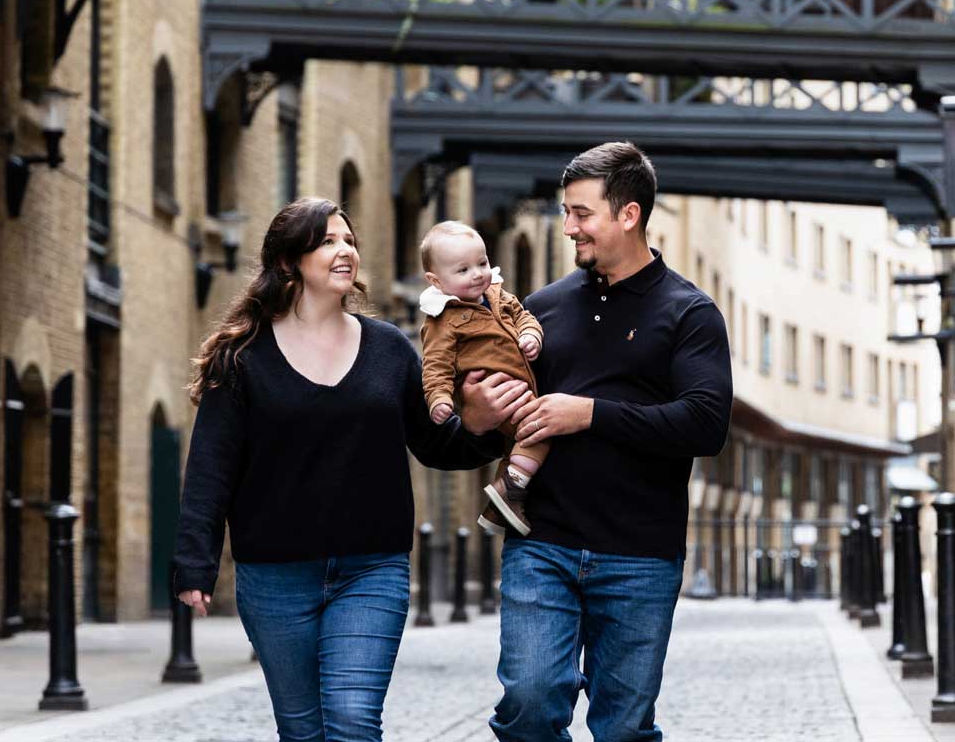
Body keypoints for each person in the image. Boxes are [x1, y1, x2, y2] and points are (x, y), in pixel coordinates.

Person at [171, 197, 521, 742]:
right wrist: (195, 563)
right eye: (327, 241)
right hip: (275, 576)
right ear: (288, 261)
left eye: (350, 241)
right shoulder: (242, 357)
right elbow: (211, 467)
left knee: (354, 721)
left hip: (372, 570)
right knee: (302, 730)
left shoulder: (389, 349)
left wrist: (479, 425)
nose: (345, 251)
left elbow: (436, 446)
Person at [465, 142, 733, 742]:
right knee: (530, 703)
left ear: (629, 214)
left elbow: (706, 424)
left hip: (641, 554)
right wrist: (480, 417)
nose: (569, 227)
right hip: (543, 544)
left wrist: (590, 414)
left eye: (582, 213)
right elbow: (501, 425)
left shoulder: (689, 313)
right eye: (566, 212)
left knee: (623, 728)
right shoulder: (541, 311)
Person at [417, 220, 545, 535]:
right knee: (541, 432)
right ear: (436, 280)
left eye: (482, 263)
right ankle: (509, 489)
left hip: (518, 388)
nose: (477, 274)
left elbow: (523, 316)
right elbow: (436, 365)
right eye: (463, 270)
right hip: (497, 395)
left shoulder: (498, 294)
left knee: (516, 447)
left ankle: (501, 508)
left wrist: (531, 335)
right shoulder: (441, 320)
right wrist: (439, 398)